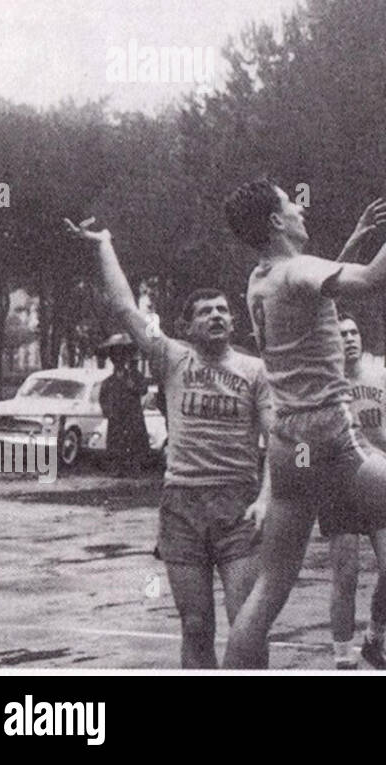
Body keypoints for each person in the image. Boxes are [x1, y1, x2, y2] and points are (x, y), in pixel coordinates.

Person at [220, 136, 386, 670]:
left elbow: (314, 290)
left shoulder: (260, 278)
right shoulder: (295, 269)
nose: (300, 206)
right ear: (274, 223)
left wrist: (351, 240)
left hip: (287, 447)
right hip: (331, 440)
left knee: (269, 588)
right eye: (291, 203)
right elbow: (377, 278)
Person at [63, 219, 275, 668]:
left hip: (239, 504)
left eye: (222, 310)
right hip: (181, 504)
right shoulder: (172, 358)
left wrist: (266, 497)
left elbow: (277, 440)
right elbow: (124, 306)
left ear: (234, 320)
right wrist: (104, 243)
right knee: (196, 624)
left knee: (247, 624)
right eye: (205, 312)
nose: (217, 316)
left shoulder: (256, 371)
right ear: (187, 326)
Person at [323, 315, 386, 670]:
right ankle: (342, 660)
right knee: (345, 576)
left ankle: (374, 639)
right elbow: (303, 440)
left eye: (354, 331)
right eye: (341, 334)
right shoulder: (322, 382)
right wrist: (305, 476)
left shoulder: (383, 377)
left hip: (383, 477)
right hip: (339, 483)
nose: (349, 338)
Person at [97, 336, 149, 477]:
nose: (118, 362)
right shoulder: (109, 381)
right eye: (115, 359)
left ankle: (134, 468)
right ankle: (117, 468)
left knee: (134, 442)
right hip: (116, 418)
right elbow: (102, 398)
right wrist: (108, 412)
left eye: (120, 358)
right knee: (116, 443)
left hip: (132, 416)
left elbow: (144, 389)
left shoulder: (134, 376)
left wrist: (133, 387)